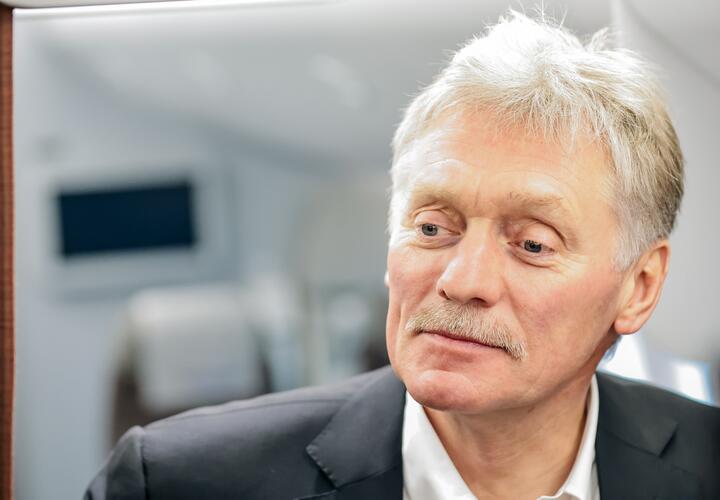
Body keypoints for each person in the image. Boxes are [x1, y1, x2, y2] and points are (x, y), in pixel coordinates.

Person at [85, 11, 720, 500]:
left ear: (639, 287)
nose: (461, 281)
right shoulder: (178, 482)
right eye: (433, 228)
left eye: (532, 244)